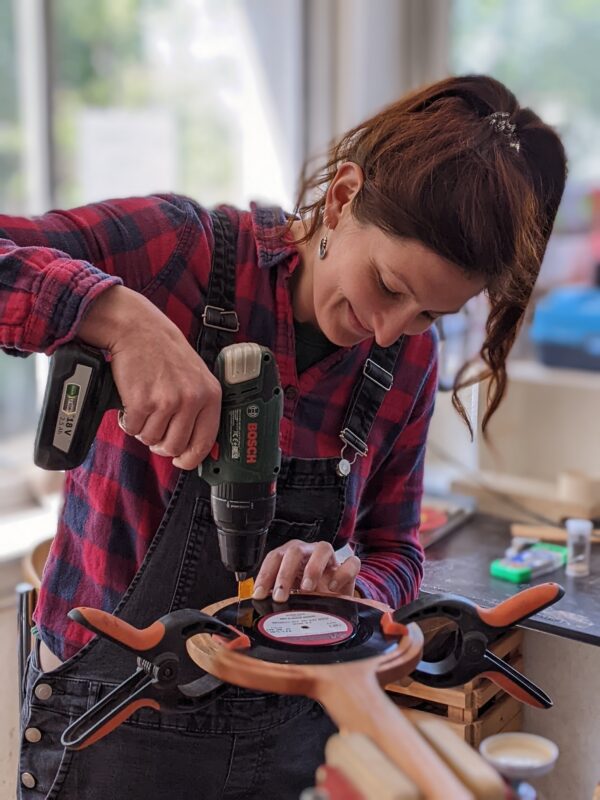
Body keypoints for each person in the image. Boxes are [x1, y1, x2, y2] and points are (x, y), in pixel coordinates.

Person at [1, 74, 566, 799]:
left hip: (287, 742)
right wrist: (117, 315)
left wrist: (350, 584)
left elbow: (396, 548)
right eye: (389, 287)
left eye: (429, 315)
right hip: (118, 720)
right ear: (341, 199)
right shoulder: (185, 254)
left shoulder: (408, 361)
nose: (392, 332)